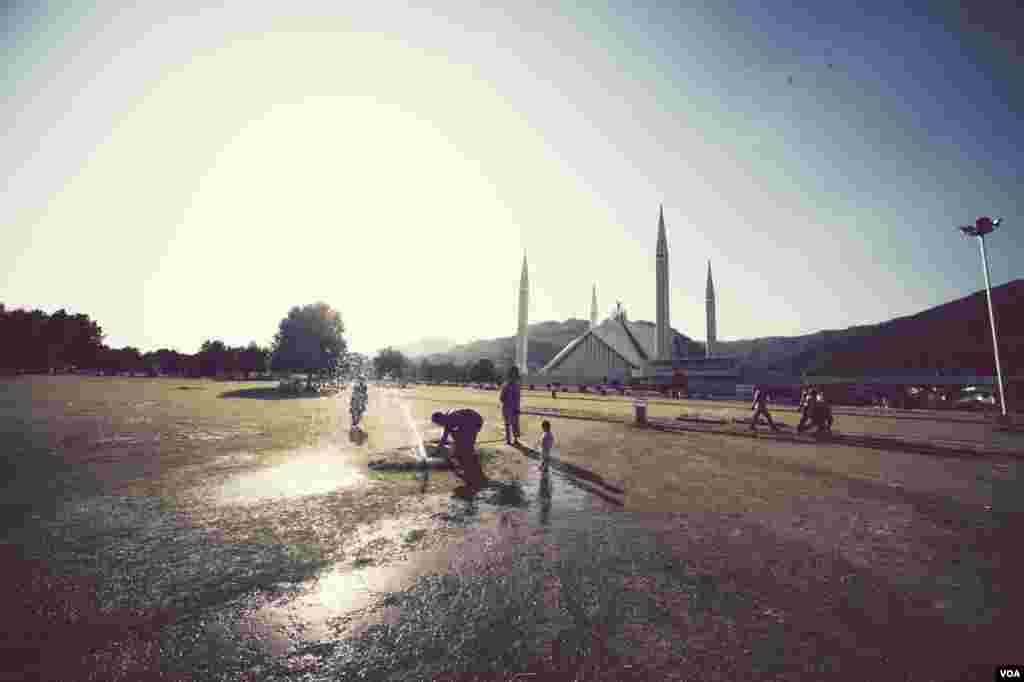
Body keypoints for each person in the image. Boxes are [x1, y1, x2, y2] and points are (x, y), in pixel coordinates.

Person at [432, 409, 486, 490]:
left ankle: (473, 469)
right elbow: (444, 437)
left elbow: (466, 432)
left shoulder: (453, 418)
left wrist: (460, 443)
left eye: (438, 423)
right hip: (468, 423)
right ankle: (469, 465)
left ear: (441, 419)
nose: (439, 425)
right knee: (460, 445)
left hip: (475, 421)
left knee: (466, 447)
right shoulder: (447, 421)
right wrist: (438, 449)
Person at [499, 367, 522, 445]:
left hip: (510, 408)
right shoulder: (515, 386)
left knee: (511, 425)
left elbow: (501, 398)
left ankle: (511, 440)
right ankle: (512, 440)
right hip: (511, 408)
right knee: (512, 425)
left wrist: (508, 402)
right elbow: (502, 398)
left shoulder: (507, 385)